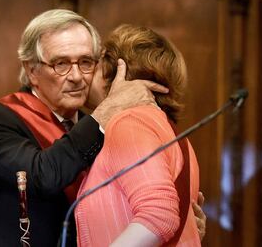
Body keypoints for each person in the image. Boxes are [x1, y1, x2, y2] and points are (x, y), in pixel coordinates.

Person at [0, 9, 167, 247]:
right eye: (61, 64)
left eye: (86, 62)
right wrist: (109, 109)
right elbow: (42, 176)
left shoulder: (99, 127)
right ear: (31, 70)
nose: (76, 76)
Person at [75, 24, 201, 246]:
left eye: (95, 64)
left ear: (117, 72)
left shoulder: (129, 122)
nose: (81, 76)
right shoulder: (174, 135)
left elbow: (159, 215)